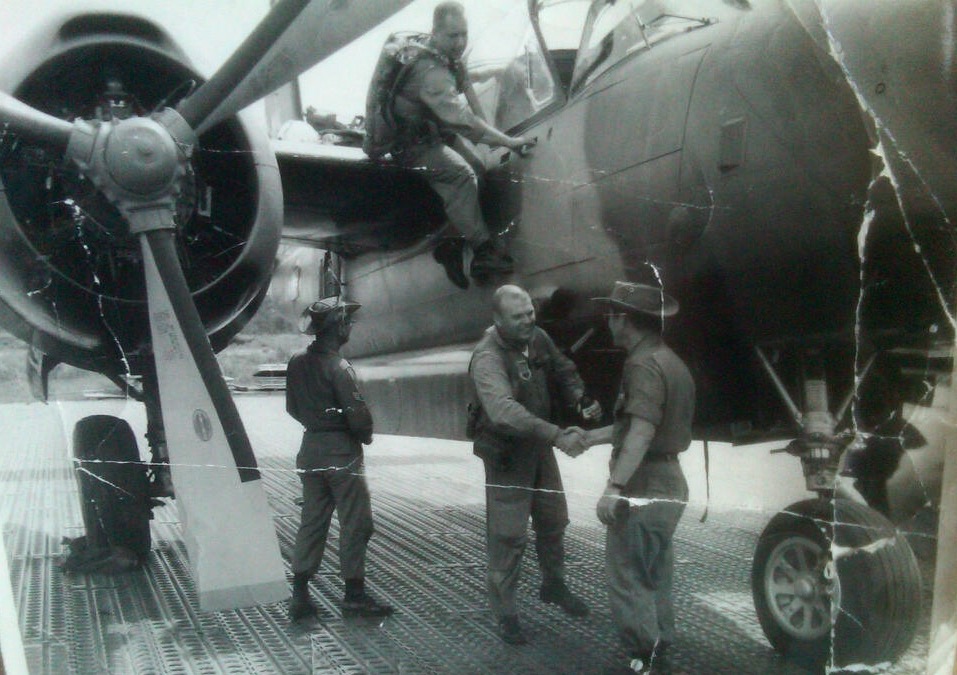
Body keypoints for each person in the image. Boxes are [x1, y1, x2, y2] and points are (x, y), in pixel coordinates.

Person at [468, 284, 602, 644]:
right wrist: (557, 435)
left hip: (538, 448)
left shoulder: (537, 337)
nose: (529, 320)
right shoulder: (487, 357)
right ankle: (506, 613)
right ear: (498, 320)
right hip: (508, 455)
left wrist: (581, 397)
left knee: (554, 519)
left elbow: (562, 368)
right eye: (519, 316)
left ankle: (553, 584)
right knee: (508, 536)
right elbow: (502, 412)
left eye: (530, 312)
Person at [389, 1, 536, 288]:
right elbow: (463, 121)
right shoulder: (430, 72)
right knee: (460, 176)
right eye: (452, 36)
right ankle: (483, 252)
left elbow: (468, 92)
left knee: (480, 168)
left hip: (433, 131)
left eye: (463, 34)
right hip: (409, 145)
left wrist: (494, 136)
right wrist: (509, 142)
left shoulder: (449, 59)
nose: (459, 42)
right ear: (435, 34)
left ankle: (450, 245)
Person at [589, 281, 695, 674]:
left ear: (625, 320)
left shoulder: (641, 365)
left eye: (611, 315)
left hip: (643, 485)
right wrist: (590, 437)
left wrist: (614, 488)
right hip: (669, 482)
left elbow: (643, 432)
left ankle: (644, 658)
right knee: (655, 572)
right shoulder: (669, 360)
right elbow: (640, 425)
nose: (608, 322)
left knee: (629, 576)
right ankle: (660, 648)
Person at [285, 297, 394, 622]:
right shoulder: (340, 367)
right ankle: (354, 595)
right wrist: (365, 434)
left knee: (313, 522)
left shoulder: (296, 362)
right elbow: (358, 416)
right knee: (356, 522)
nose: (349, 327)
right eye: (346, 321)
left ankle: (300, 594)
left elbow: (291, 407)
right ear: (337, 328)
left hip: (310, 448)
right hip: (341, 452)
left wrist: (316, 423)